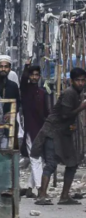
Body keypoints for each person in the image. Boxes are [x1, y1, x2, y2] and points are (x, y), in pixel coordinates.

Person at [31, 67, 86, 206]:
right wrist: (82, 107)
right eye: (78, 80)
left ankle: (64, 196)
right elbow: (65, 114)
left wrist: (71, 125)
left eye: (83, 80)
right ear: (71, 81)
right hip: (53, 132)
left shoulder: (77, 93)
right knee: (51, 163)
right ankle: (42, 195)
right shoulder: (69, 93)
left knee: (72, 163)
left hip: (63, 133)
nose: (81, 83)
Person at [20, 60, 49, 198]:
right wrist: (26, 66)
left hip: (41, 128)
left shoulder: (42, 92)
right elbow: (24, 79)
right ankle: (40, 188)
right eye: (32, 75)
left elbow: (46, 112)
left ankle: (30, 188)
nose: (34, 77)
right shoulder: (25, 90)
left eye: (37, 75)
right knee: (35, 158)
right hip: (30, 129)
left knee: (39, 159)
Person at [0, 55, 21, 148]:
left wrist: (11, 113)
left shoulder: (13, 85)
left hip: (9, 121)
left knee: (11, 147)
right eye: (1, 66)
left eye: (6, 67)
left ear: (9, 69)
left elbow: (18, 102)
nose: (3, 69)